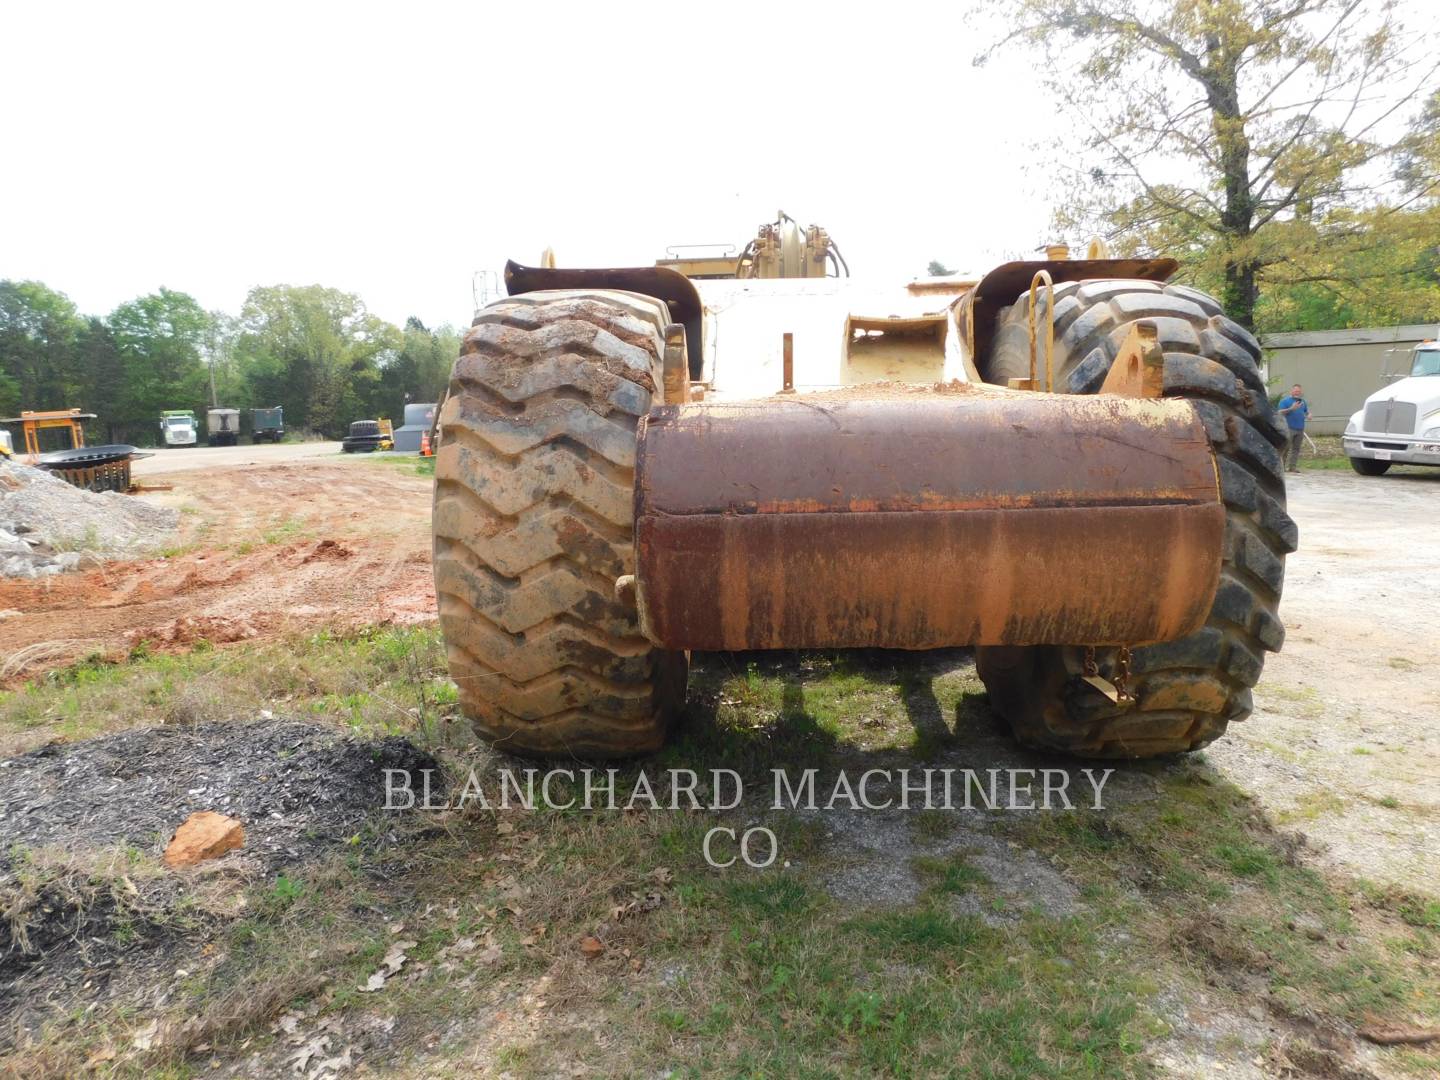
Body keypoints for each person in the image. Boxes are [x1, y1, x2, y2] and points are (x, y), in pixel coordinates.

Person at [1277, 383, 1309, 473]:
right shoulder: (1285, 401)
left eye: (1298, 391)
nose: (1297, 393)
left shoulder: (1303, 402)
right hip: (1289, 428)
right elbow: (1279, 412)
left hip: (1300, 428)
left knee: (1296, 449)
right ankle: (1281, 468)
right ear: (1291, 391)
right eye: (1295, 391)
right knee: (1286, 448)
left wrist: (1308, 415)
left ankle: (1292, 467)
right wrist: (1291, 408)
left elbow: (1306, 412)